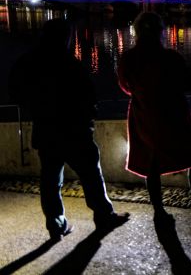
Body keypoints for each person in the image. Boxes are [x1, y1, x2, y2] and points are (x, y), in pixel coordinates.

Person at [8, 19, 129, 242]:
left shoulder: (29, 61)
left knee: (51, 178)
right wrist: (88, 114)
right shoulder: (68, 63)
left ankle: (56, 223)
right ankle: (103, 215)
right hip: (75, 130)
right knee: (91, 174)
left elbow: (14, 89)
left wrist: (34, 107)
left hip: (46, 129)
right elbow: (88, 94)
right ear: (64, 38)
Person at [117, 12, 191, 229]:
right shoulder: (171, 58)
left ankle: (159, 211)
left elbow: (125, 85)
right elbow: (189, 82)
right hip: (175, 115)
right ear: (160, 32)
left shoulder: (128, 59)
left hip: (145, 115)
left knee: (151, 164)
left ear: (137, 33)